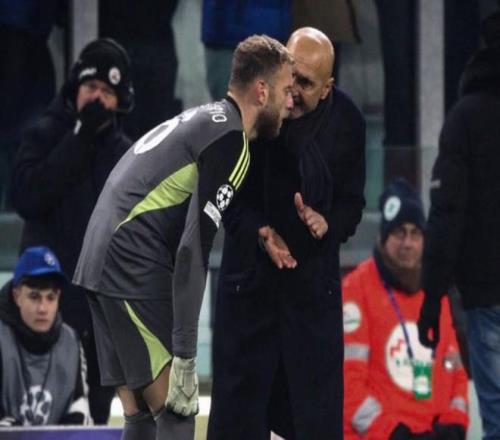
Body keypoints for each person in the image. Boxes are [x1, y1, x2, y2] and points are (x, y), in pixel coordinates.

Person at [72, 35, 294, 440]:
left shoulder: (204, 119)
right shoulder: (233, 142)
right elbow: (194, 249)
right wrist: (187, 355)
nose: (290, 103)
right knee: (178, 411)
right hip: (130, 259)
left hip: (97, 256)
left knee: (140, 415)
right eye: (285, 90)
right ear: (262, 91)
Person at [207, 27, 365, 440]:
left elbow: (352, 203)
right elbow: (224, 195)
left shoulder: (348, 123)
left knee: (313, 424)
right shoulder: (254, 106)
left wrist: (329, 225)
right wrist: (260, 231)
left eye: (306, 83)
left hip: (311, 301)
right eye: (290, 75)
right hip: (249, 293)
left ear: (327, 88)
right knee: (237, 425)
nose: (291, 91)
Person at [11, 38, 134, 424]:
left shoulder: (128, 156)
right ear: (75, 88)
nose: (97, 98)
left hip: (101, 315)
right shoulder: (42, 134)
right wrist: (80, 138)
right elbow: (27, 197)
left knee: (92, 419)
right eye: (90, 87)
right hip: (47, 309)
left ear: (120, 101)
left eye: (107, 92)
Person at [418, 10, 500, 439]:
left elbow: (448, 213)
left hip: (486, 291)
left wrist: (432, 296)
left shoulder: (467, 118)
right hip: (484, 291)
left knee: (497, 413)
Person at [342, 178, 469, 440]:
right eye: (399, 233)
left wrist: (454, 425)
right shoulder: (355, 290)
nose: (408, 243)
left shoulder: (435, 293)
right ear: (383, 238)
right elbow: (348, 387)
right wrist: (394, 435)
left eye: (415, 233)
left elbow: (455, 369)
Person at [0, 246, 90, 426]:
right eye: (34, 297)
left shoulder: (70, 342)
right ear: (17, 296)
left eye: (51, 298)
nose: (43, 308)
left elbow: (79, 407)